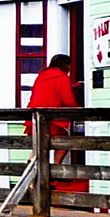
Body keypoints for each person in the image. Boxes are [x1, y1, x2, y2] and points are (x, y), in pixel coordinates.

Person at [27, 54, 87, 193]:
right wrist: (79, 108)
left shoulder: (41, 76)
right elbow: (66, 99)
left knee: (39, 145)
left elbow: (43, 93)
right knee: (63, 142)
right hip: (51, 118)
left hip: (35, 116)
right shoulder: (62, 77)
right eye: (70, 64)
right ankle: (54, 171)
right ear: (65, 65)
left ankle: (32, 174)